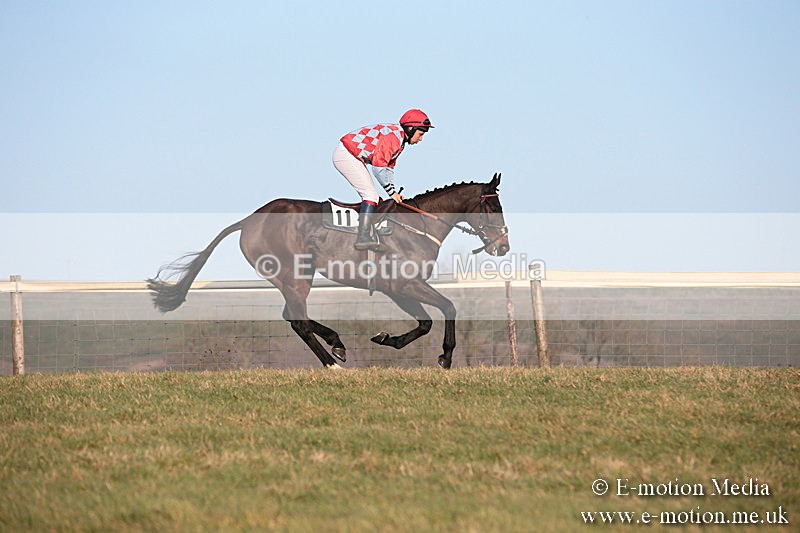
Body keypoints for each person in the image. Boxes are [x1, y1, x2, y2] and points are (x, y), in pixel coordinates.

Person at [333, 109, 434, 250]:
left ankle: (370, 235)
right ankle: (363, 238)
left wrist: (393, 192)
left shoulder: (400, 141)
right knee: (370, 196)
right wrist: (391, 192)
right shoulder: (394, 138)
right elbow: (379, 168)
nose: (421, 139)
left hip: (354, 156)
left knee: (376, 198)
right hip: (347, 155)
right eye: (420, 134)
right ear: (411, 129)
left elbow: (388, 169)